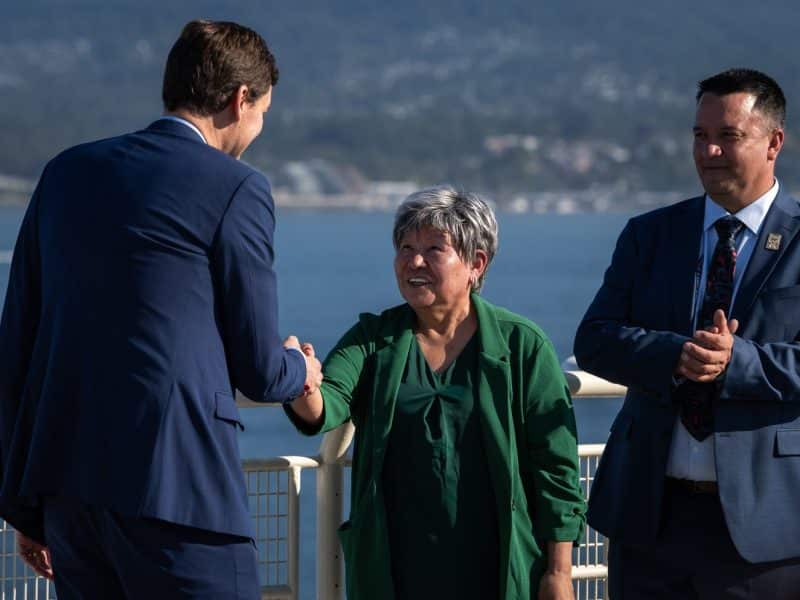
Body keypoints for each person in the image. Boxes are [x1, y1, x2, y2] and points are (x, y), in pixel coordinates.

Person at [0, 20, 322, 598]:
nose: (258, 128)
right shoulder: (236, 187)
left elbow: (16, 343)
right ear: (239, 98)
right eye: (263, 111)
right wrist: (301, 369)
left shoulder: (65, 172)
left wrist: (24, 503)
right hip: (181, 495)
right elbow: (256, 365)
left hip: (69, 494)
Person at [288, 185, 585, 600]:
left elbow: (556, 468)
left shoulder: (521, 346)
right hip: (396, 574)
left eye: (433, 249)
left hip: (497, 572)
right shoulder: (374, 339)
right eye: (405, 247)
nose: (414, 261)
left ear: (475, 264)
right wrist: (299, 377)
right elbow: (326, 405)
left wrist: (558, 573)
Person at [574, 68, 800, 599]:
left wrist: (735, 362)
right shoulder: (650, 234)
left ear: (774, 143)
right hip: (650, 519)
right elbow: (596, 338)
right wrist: (677, 354)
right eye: (700, 136)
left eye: (728, 136)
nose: (710, 152)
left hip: (762, 529)